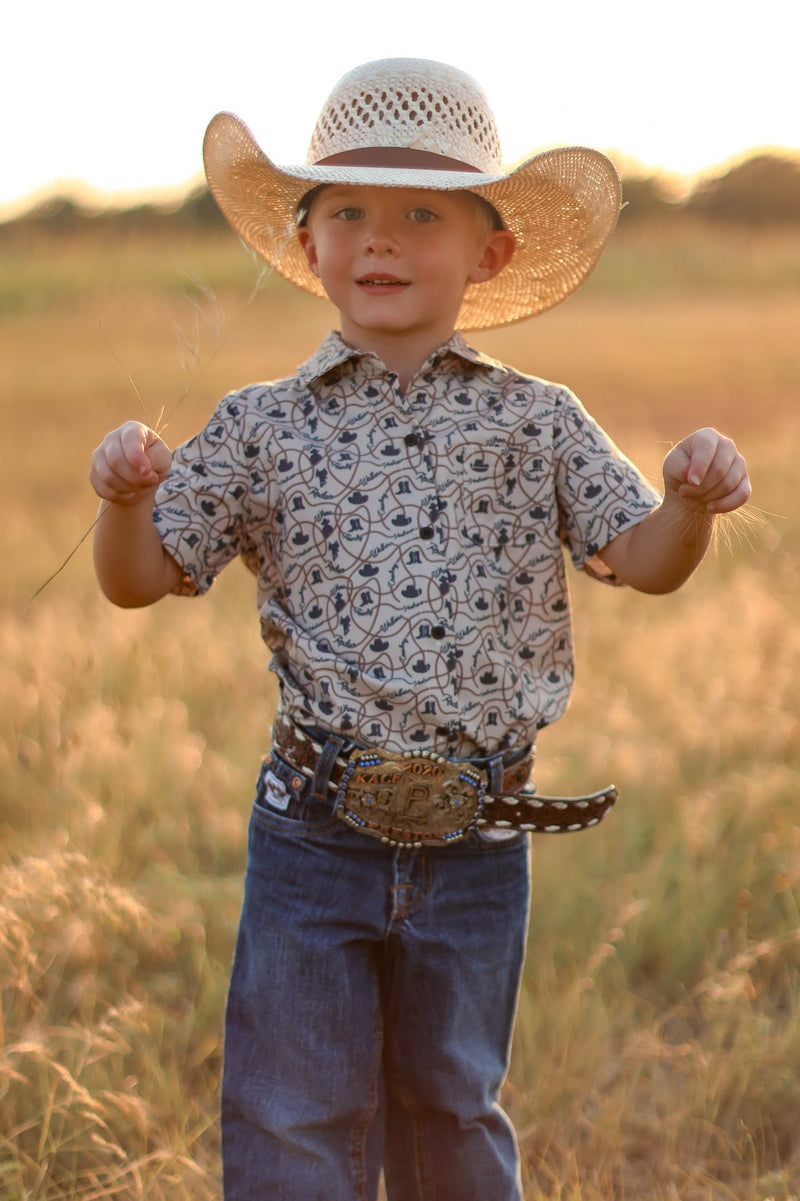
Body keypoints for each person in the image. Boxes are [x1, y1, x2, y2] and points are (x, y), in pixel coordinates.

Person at [89, 58, 750, 1201]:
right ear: (307, 244)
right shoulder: (260, 427)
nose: (378, 239)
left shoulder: (536, 419)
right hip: (312, 832)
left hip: (478, 836)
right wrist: (123, 503)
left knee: (450, 1104)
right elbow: (139, 579)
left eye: (417, 214)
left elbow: (638, 562)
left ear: (487, 252)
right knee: (293, 1114)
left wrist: (686, 503)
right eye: (346, 210)